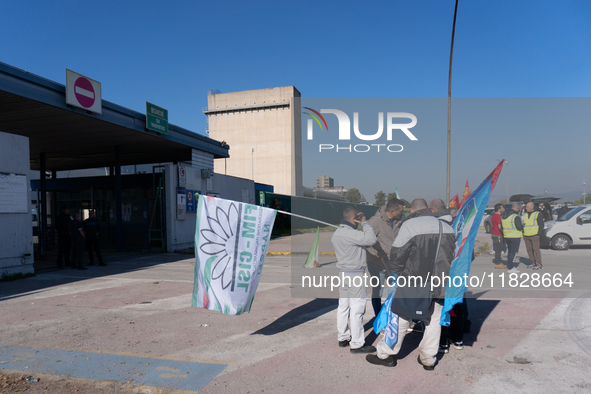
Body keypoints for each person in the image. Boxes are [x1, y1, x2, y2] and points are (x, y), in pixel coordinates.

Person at [366, 198, 456, 370]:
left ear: (413, 210)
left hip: (413, 282)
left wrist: (395, 275)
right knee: (434, 321)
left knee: (401, 318)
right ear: (428, 209)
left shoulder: (410, 226)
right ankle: (428, 359)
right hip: (440, 283)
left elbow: (397, 256)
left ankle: (386, 354)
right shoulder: (446, 227)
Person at [331, 206, 377, 353]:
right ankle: (357, 344)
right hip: (355, 275)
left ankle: (343, 337)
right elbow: (371, 239)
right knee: (358, 309)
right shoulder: (351, 234)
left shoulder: (337, 233)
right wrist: (365, 223)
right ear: (354, 218)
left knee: (343, 306)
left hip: (343, 273)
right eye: (359, 217)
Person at [366, 198, 405, 316]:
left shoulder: (400, 220)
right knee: (378, 291)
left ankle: (396, 315)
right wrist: (374, 258)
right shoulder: (376, 221)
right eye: (401, 211)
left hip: (393, 262)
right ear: (392, 211)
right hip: (377, 262)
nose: (403, 213)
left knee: (398, 288)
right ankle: (379, 318)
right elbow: (365, 240)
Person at [502, 203, 523, 273]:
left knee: (510, 252)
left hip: (507, 236)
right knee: (513, 252)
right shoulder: (515, 216)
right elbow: (519, 227)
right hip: (515, 236)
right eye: (519, 209)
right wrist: (522, 226)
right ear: (516, 209)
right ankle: (511, 267)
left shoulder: (504, 215)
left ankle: (510, 265)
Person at [522, 202, 544, 270]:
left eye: (527, 207)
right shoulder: (525, 214)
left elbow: (541, 225)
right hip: (526, 235)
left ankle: (539, 263)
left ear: (532, 207)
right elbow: (523, 223)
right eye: (526, 207)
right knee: (529, 250)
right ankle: (533, 262)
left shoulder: (537, 214)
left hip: (534, 235)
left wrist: (539, 234)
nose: (526, 208)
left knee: (536, 249)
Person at [491, 204, 507, 269]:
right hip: (498, 235)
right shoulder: (497, 216)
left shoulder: (494, 215)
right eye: (502, 208)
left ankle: (498, 262)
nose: (504, 209)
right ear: (499, 209)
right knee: (498, 250)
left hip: (495, 234)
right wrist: (504, 232)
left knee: (498, 249)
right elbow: (499, 226)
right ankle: (498, 263)